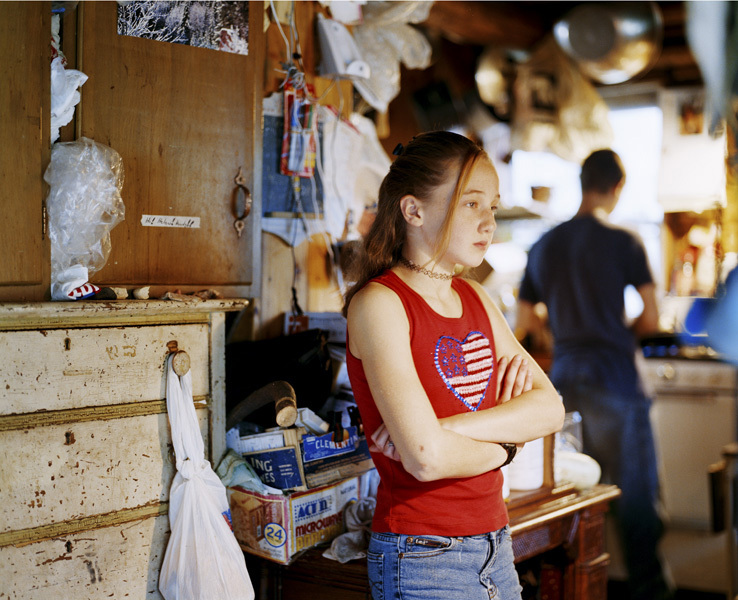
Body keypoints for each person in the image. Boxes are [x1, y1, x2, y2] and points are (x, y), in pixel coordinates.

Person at [343, 131, 564, 600]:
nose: (488, 223)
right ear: (413, 210)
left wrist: (449, 428)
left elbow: (549, 410)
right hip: (422, 554)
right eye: (471, 204)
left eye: (493, 208)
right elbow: (425, 459)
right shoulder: (380, 304)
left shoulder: (475, 296)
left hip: (496, 545)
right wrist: (507, 446)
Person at [516, 149, 673, 600]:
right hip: (618, 381)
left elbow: (526, 320)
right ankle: (650, 593)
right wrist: (612, 331)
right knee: (638, 502)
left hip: (564, 384)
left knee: (575, 494)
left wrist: (560, 333)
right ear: (617, 187)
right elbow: (650, 318)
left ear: (582, 183)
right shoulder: (625, 240)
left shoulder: (545, 244)